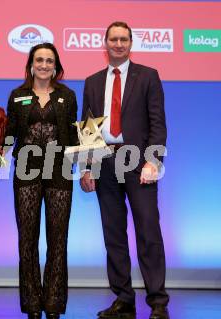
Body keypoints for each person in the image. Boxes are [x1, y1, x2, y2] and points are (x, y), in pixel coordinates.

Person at [80, 21, 169, 319]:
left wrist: (153, 161)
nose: (118, 44)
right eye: (113, 39)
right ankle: (123, 298)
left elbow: (158, 123)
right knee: (113, 234)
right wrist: (87, 168)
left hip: (138, 162)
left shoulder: (148, 76)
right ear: (105, 44)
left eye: (124, 39)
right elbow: (88, 130)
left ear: (131, 43)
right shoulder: (92, 81)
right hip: (105, 163)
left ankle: (157, 301)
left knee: (148, 231)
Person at [6, 43, 78, 319]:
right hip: (26, 170)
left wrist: (87, 158)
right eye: (40, 60)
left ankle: (54, 304)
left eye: (50, 60)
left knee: (58, 240)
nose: (44, 65)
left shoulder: (67, 96)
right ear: (31, 64)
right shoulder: (17, 95)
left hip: (59, 170)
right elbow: (9, 134)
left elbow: (73, 137)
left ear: (56, 66)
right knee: (27, 240)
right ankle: (33, 304)